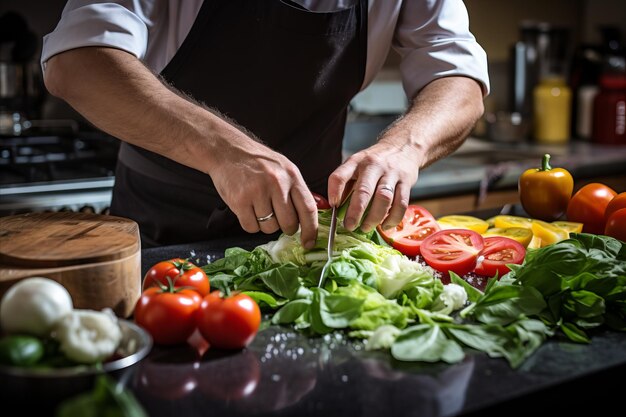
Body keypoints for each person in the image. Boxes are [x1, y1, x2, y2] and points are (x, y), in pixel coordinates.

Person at [41, 0, 489, 248]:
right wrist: (225, 152)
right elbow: (78, 61)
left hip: (313, 237)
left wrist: (404, 148)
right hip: (161, 229)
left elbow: (456, 73)